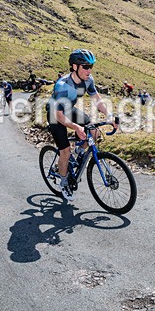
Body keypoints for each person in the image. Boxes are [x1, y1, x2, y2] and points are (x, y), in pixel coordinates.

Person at [47, 49, 117, 201]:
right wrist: (76, 127)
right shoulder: (62, 85)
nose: (89, 70)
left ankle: (78, 152)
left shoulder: (88, 80)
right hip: (55, 115)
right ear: (74, 67)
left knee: (94, 131)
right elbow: (58, 115)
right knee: (65, 151)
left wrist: (109, 115)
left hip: (69, 110)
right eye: (85, 66)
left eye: (91, 66)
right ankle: (64, 182)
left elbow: (97, 99)